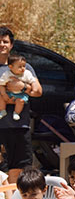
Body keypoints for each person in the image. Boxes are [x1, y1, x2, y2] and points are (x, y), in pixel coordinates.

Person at [0, 44, 39, 181]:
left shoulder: (26, 69)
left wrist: (23, 87)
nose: (1, 44)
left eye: (5, 41)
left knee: (21, 166)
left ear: (10, 44)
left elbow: (38, 91)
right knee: (2, 167)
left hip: (19, 127)